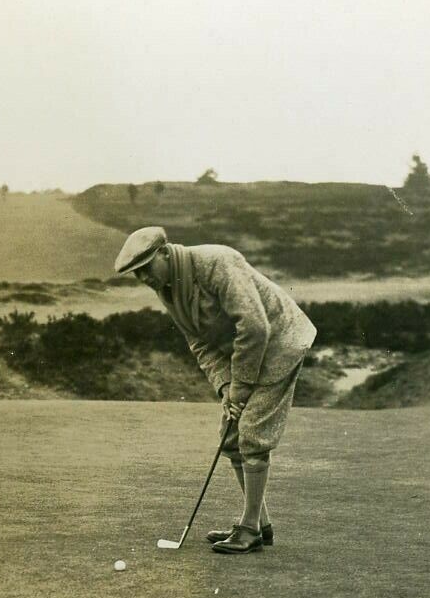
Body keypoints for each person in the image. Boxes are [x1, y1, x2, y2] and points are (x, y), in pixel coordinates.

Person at [114, 226, 316, 554]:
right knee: (231, 433)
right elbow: (199, 344)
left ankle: (248, 530)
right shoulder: (167, 289)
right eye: (137, 274)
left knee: (251, 432)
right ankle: (259, 524)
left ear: (164, 253)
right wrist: (226, 388)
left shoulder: (216, 262)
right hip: (247, 354)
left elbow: (254, 326)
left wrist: (241, 388)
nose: (144, 278)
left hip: (281, 342)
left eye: (146, 268)